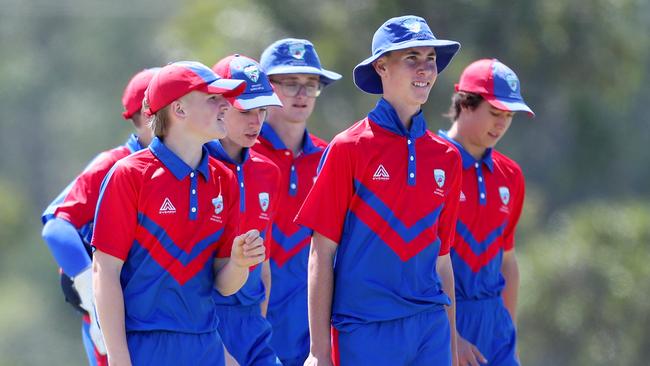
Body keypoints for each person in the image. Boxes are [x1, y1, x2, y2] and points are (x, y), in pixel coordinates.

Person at [295, 15, 463, 365]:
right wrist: (318, 351)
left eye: (430, 59)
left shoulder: (446, 156)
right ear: (381, 67)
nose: (425, 70)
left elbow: (442, 259)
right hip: (364, 327)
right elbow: (320, 254)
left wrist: (451, 346)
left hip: (430, 326)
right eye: (411, 59)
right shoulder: (348, 148)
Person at [91, 61, 266, 366]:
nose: (225, 105)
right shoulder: (130, 174)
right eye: (212, 98)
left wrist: (239, 264)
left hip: (206, 344)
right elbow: (104, 272)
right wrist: (119, 360)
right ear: (179, 110)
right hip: (144, 344)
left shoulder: (224, 179)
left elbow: (224, 285)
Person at [40, 67, 158, 366]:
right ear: (148, 115)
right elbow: (57, 228)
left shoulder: (193, 166)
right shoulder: (114, 164)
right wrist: (94, 301)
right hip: (117, 315)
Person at [438, 58, 534, 366]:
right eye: (494, 112)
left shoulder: (511, 175)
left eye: (508, 115)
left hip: (496, 325)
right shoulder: (431, 163)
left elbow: (508, 262)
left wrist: (509, 333)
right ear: (465, 103)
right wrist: (451, 336)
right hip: (444, 323)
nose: (501, 124)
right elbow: (419, 264)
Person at [254, 38, 341, 366]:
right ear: (264, 87)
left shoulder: (331, 157)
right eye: (290, 84)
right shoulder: (243, 155)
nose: (302, 94)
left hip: (312, 337)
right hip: (251, 332)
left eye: (311, 84)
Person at [207, 54, 283, 366]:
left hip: (252, 325)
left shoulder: (268, 172)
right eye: (246, 111)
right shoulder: (194, 167)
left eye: (262, 110)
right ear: (217, 105)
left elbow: (262, 261)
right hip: (204, 325)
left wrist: (257, 321)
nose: (257, 122)